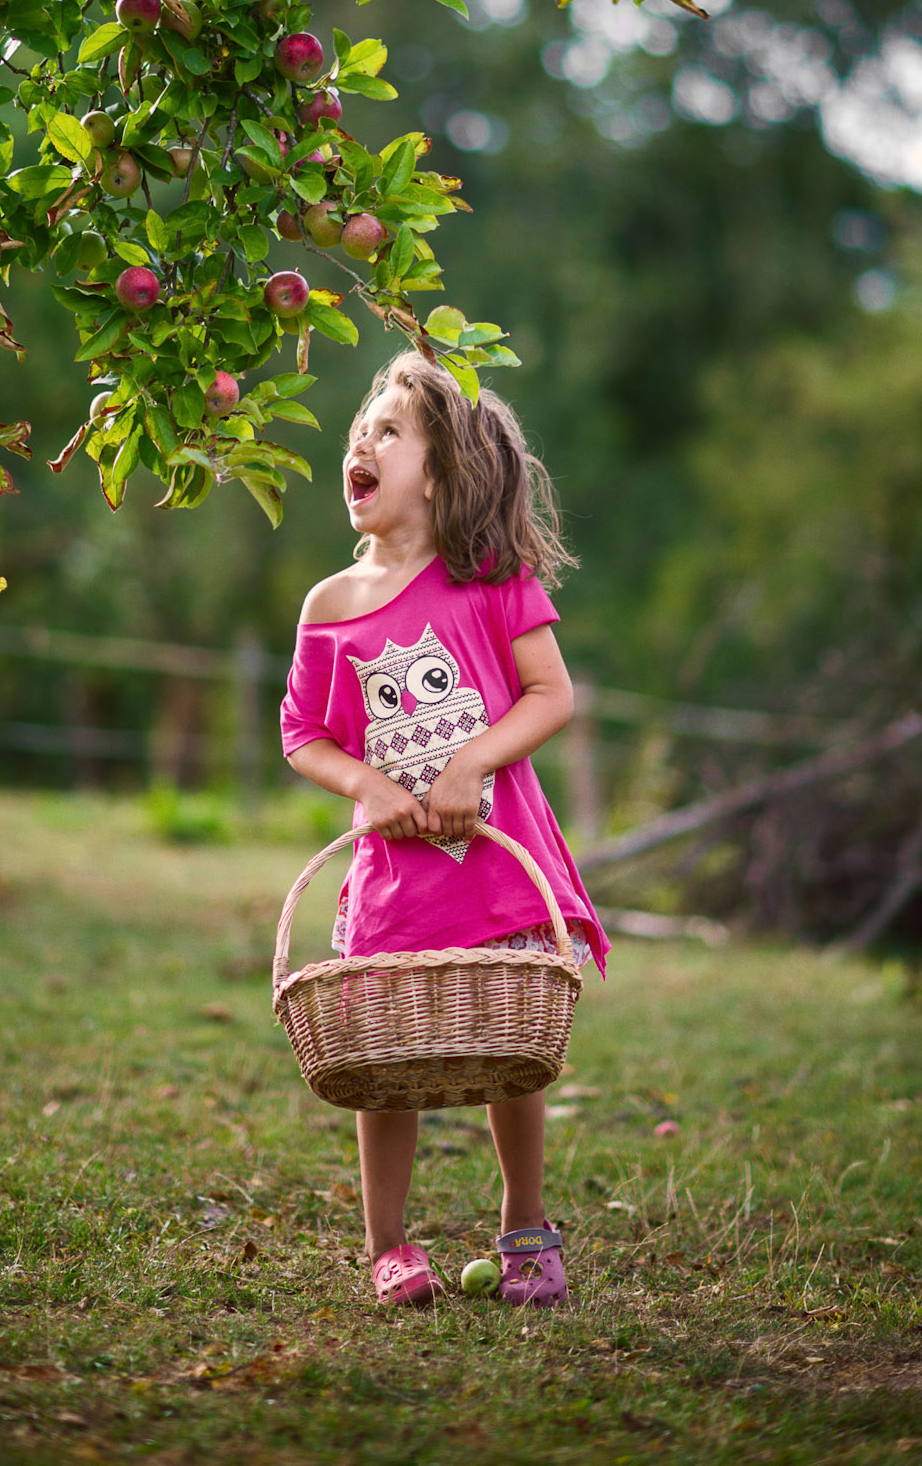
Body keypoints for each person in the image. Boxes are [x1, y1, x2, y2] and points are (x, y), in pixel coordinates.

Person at [279, 351, 609, 1309]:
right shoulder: (329, 606)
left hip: (498, 865)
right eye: (360, 431)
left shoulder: (490, 579)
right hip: (396, 879)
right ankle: (388, 1245)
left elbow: (550, 694)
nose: (363, 443)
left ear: (438, 471)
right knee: (384, 1061)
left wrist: (471, 765)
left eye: (388, 431)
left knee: (512, 1047)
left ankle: (525, 1225)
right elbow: (302, 732)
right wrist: (365, 785)